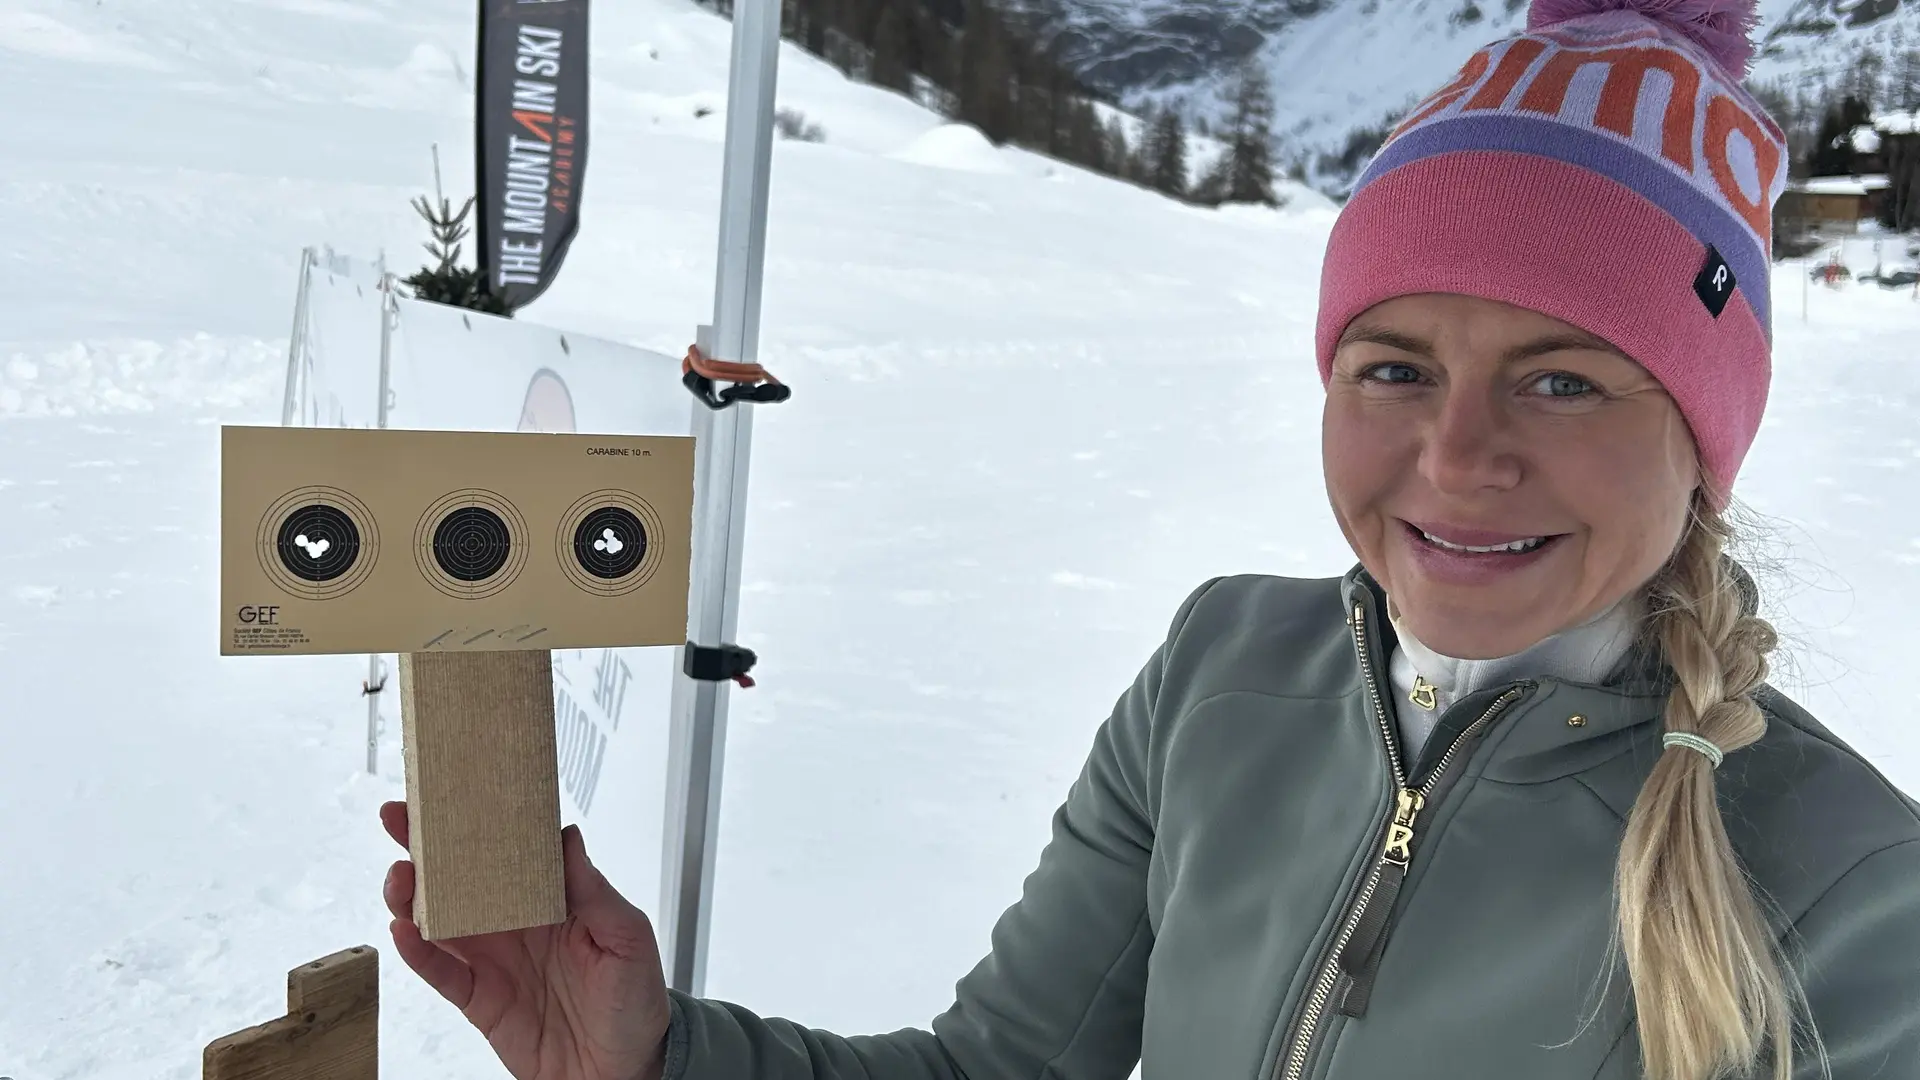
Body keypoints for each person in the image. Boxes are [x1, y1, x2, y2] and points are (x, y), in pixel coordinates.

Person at [378, 1, 1920, 1076]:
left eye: (1563, 378)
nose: (1456, 458)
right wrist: (653, 1058)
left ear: (1705, 442)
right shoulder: (1224, 673)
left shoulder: (1846, 885)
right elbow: (999, 1069)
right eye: (1393, 368)